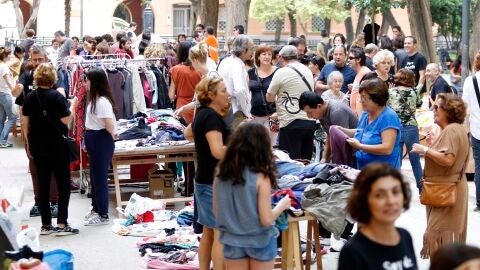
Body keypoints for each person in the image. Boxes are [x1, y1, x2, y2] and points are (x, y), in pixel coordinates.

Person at [214, 121, 290, 270]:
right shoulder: (261, 176)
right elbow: (266, 219)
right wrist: (282, 205)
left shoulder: (221, 173)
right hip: (260, 240)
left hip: (232, 241)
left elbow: (217, 213)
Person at [22, 63, 78, 235]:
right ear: (53, 78)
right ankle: (62, 223)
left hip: (38, 146)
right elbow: (66, 121)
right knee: (63, 185)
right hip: (57, 146)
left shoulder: (30, 97)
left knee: (43, 185)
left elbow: (25, 124)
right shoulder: (57, 97)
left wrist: (28, 143)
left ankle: (46, 225)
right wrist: (74, 106)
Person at [411, 94, 469, 258]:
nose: (433, 110)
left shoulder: (451, 130)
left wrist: (425, 150)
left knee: (436, 233)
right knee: (443, 235)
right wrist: (432, 146)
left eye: (437, 107)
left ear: (448, 111)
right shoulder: (455, 129)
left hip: (447, 191)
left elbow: (448, 160)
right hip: (448, 189)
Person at [338, 163, 416, 269]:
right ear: (364, 200)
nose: (391, 201)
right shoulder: (353, 251)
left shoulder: (405, 236)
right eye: (380, 195)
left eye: (396, 192)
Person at [192, 77, 230, 270]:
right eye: (223, 91)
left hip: (205, 179)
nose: (227, 94)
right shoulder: (211, 117)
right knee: (219, 233)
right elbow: (217, 150)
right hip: (212, 182)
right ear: (211, 95)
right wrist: (243, 149)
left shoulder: (203, 114)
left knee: (209, 232)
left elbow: (186, 133)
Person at [266, 45, 316, 160]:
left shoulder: (281, 72)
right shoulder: (307, 70)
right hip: (309, 122)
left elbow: (269, 97)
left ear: (282, 58)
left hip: (290, 122)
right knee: (305, 161)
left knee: (290, 162)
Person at [342, 78, 402, 169]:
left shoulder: (388, 117)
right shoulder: (365, 114)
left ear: (376, 99)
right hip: (364, 171)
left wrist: (360, 146)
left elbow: (387, 149)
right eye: (360, 97)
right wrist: (342, 131)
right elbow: (362, 132)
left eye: (364, 97)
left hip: (383, 174)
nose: (361, 100)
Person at [83, 69, 117, 226]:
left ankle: (103, 213)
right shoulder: (96, 100)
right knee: (95, 177)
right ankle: (96, 209)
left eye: (88, 80)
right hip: (95, 138)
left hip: (100, 139)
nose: (86, 83)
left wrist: (113, 134)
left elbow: (109, 125)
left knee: (100, 178)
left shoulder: (102, 102)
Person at [388, 69, 423, 191]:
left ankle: (395, 188)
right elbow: (419, 104)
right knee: (415, 160)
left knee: (396, 159)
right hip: (411, 127)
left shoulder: (391, 92)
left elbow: (387, 107)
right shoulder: (415, 91)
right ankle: (422, 189)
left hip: (395, 127)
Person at [299, 91, 358, 163]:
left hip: (356, 152)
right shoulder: (321, 112)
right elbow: (329, 135)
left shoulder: (336, 111)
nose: (309, 116)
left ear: (319, 106)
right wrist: (324, 158)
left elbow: (342, 142)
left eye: (310, 112)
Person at [217, 34, 254, 130]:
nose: (252, 52)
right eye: (251, 49)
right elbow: (240, 90)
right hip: (236, 113)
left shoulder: (225, 61)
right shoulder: (237, 65)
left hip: (225, 109)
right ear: (244, 49)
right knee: (236, 143)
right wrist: (246, 112)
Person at [248, 44, 278, 143]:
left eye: (269, 54)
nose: (267, 57)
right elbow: (246, 94)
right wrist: (246, 112)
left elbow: (282, 94)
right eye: (264, 54)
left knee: (270, 146)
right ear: (258, 56)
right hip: (254, 116)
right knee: (255, 146)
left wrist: (278, 112)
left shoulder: (278, 72)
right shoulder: (250, 72)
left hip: (272, 116)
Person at [462, 52, 480, 212]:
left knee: (479, 166)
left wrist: (465, 127)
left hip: (477, 129)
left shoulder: (470, 81)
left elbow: (465, 108)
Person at [0, 47, 17, 148]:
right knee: (12, 118)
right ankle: (2, 141)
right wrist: (14, 90)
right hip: (6, 94)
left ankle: (1, 140)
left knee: (1, 119)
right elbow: (8, 80)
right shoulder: (4, 67)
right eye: (9, 54)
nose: (11, 56)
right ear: (5, 56)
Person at [348, 47, 371, 115]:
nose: (349, 60)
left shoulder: (366, 73)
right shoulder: (360, 72)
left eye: (351, 58)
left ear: (358, 59)